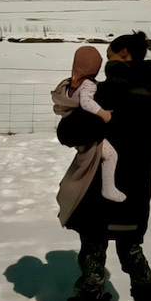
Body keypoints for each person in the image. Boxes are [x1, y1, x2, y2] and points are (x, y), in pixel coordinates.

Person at [56, 30, 151, 301]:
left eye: (110, 53)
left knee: (94, 256)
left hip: (99, 191)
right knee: (132, 253)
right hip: (136, 190)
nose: (106, 57)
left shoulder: (110, 92)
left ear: (123, 54)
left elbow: (70, 133)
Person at [54, 45, 126, 202]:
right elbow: (86, 102)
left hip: (73, 129)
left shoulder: (69, 83)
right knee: (111, 155)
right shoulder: (88, 84)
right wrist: (103, 114)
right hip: (83, 129)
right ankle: (108, 189)